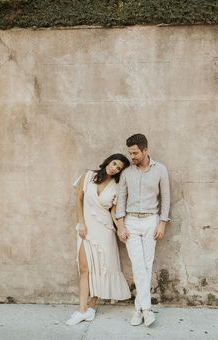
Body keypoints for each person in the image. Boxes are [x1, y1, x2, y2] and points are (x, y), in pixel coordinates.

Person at [66, 154, 131, 325]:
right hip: (86, 228)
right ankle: (81, 309)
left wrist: (120, 229)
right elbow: (79, 199)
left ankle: (90, 308)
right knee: (84, 268)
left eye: (118, 168)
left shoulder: (116, 186)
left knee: (101, 270)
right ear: (109, 160)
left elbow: (113, 213)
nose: (114, 168)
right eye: (114, 163)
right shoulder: (88, 176)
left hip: (105, 231)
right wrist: (81, 222)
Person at [116, 134, 170, 327]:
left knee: (147, 265)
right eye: (130, 153)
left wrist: (162, 223)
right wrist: (120, 226)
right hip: (131, 222)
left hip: (151, 221)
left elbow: (166, 198)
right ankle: (147, 309)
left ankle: (138, 309)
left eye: (135, 152)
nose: (132, 156)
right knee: (139, 265)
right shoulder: (127, 173)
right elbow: (120, 200)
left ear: (145, 150)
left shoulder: (160, 170)